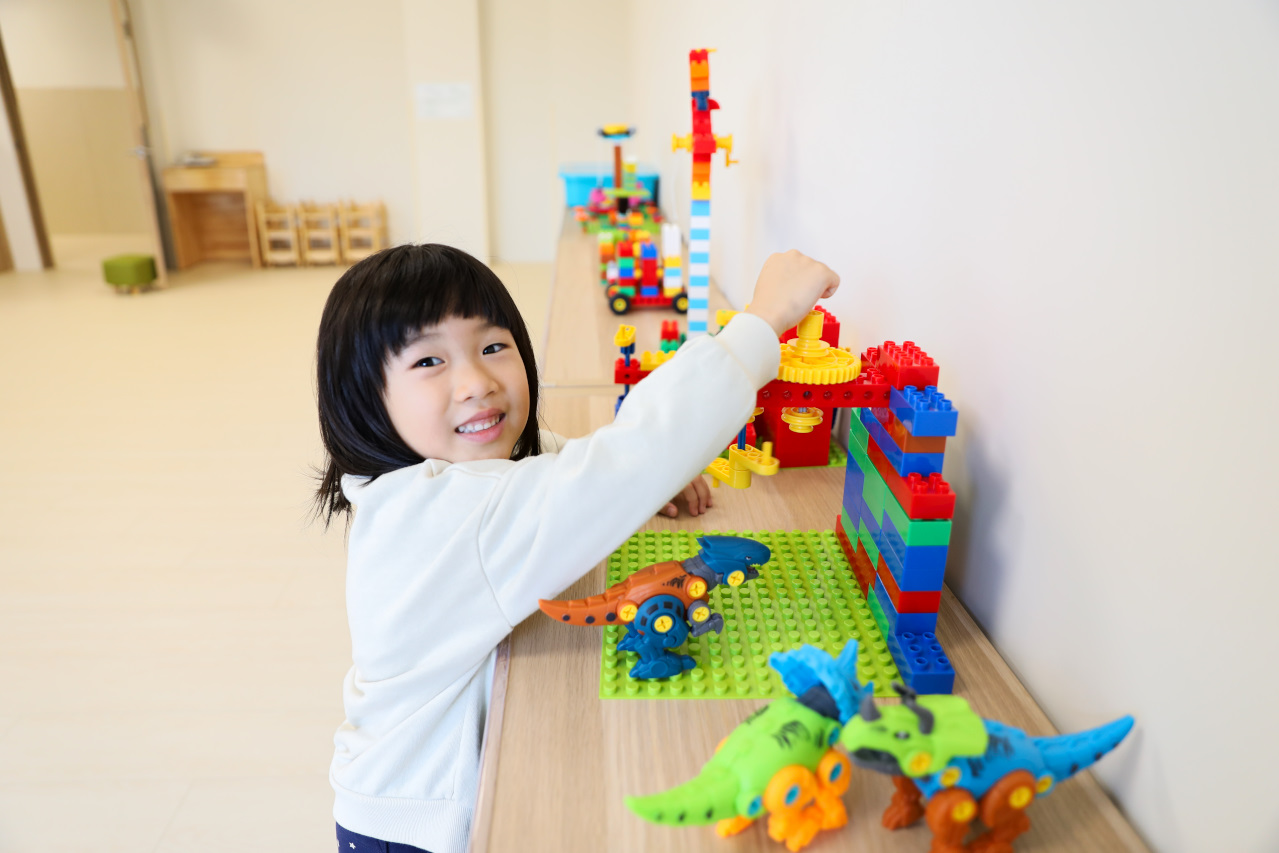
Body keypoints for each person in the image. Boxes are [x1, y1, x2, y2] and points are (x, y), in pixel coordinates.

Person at [314, 243, 839, 853]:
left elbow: (570, 465)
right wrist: (760, 322)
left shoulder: (427, 482)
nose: (477, 383)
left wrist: (642, 485)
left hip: (406, 797)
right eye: (429, 361)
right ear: (363, 397)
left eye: (492, 347)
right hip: (418, 826)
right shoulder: (446, 516)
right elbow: (615, 467)